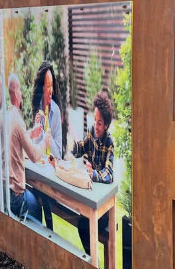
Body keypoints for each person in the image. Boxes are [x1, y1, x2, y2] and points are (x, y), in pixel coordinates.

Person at [71, 89, 115, 256]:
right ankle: (91, 260)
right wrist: (72, 143)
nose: (96, 126)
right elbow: (79, 149)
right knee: (81, 224)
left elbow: (109, 174)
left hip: (102, 204)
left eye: (99, 123)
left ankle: (92, 262)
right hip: (90, 198)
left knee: (84, 226)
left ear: (106, 125)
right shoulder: (91, 132)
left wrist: (93, 174)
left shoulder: (109, 143)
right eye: (95, 121)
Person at [30, 61, 63, 228]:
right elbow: (33, 147)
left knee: (44, 198)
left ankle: (48, 230)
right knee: (36, 195)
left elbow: (59, 154)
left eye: (52, 85)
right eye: (47, 85)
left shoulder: (55, 111)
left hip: (50, 170)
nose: (50, 90)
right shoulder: (36, 109)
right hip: (37, 168)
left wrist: (47, 136)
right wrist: (38, 131)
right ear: (41, 87)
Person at [6, 73, 43, 221]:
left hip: (7, 192)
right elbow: (34, 155)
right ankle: (40, 241)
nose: (21, 94)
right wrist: (44, 142)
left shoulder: (8, 115)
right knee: (37, 207)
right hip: (17, 198)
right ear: (16, 92)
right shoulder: (17, 119)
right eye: (20, 90)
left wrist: (29, 134)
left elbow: (15, 139)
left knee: (37, 200)